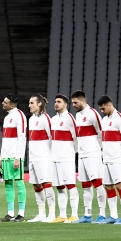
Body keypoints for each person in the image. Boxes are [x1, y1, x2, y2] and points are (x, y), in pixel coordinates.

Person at [71, 90, 106, 223]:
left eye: (76, 102)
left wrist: (100, 149)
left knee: (97, 183)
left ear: (83, 101)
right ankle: (87, 214)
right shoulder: (78, 115)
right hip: (82, 155)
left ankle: (102, 214)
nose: (74, 105)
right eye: (73, 103)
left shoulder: (93, 113)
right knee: (85, 185)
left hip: (93, 154)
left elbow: (101, 132)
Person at [96, 95, 121, 224]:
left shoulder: (119, 118)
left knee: (120, 185)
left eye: (103, 108)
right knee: (108, 186)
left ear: (110, 105)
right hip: (106, 159)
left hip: (117, 158)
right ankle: (113, 215)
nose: (102, 111)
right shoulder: (104, 120)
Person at [49, 94, 79, 223]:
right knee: (60, 187)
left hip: (66, 157)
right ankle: (62, 215)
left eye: (59, 102)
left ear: (66, 105)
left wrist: (72, 152)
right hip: (55, 158)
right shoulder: (53, 119)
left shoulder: (70, 118)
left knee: (70, 185)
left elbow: (76, 137)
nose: (56, 104)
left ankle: (74, 215)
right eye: (55, 101)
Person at [26, 95, 56, 223]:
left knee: (46, 184)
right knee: (36, 185)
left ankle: (52, 214)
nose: (29, 105)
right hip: (33, 157)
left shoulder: (45, 118)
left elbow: (52, 137)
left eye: (31, 103)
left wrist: (49, 154)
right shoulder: (31, 119)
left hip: (44, 157)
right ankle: (41, 214)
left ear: (39, 104)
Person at [0, 93, 27, 222]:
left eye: (5, 102)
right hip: (6, 156)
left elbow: (22, 137)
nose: (2, 103)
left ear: (12, 105)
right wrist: (1, 158)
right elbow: (5, 140)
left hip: (15, 156)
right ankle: (10, 213)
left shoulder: (19, 115)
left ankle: (21, 213)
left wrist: (18, 157)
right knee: (8, 184)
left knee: (19, 182)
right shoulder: (7, 117)